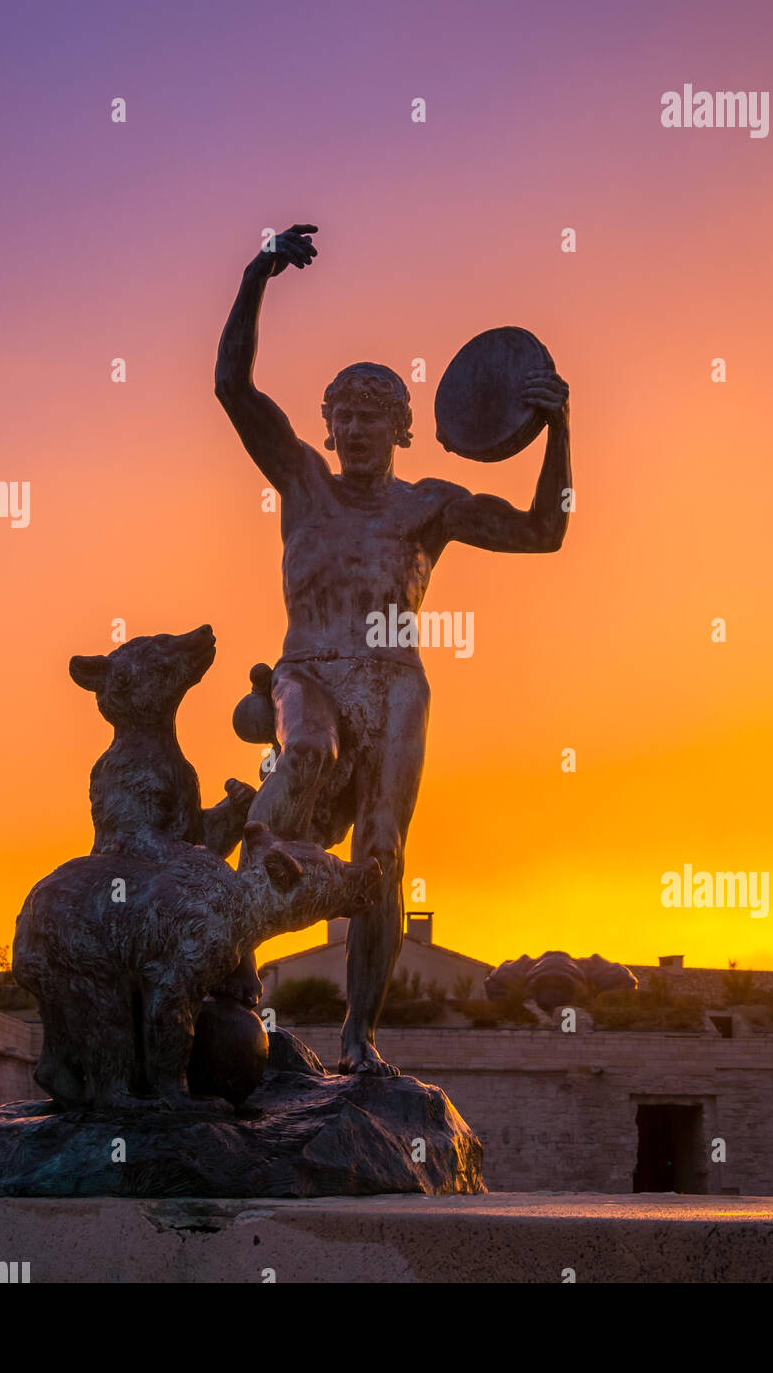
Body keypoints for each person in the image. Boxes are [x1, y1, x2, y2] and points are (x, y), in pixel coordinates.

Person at [214, 224, 571, 1073]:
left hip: (397, 682)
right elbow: (232, 384)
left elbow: (544, 531)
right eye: (346, 415)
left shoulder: (428, 506)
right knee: (303, 755)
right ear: (327, 427)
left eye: (378, 416)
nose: (360, 428)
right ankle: (231, 958)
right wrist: (258, 272)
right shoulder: (300, 480)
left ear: (405, 430)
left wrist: (560, 429)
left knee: (382, 853)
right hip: (310, 670)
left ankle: (357, 1038)